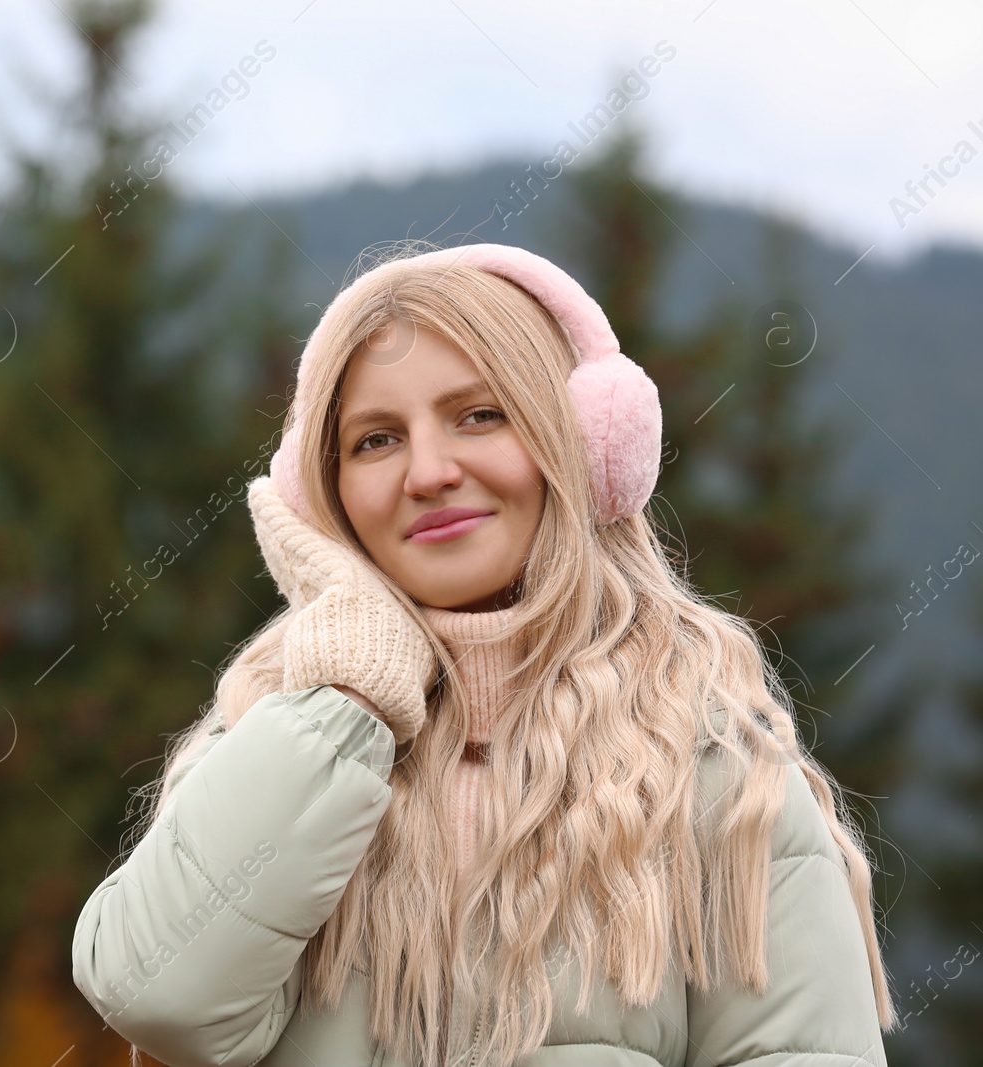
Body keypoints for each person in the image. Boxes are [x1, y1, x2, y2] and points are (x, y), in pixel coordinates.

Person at [71, 242, 895, 1067]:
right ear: (326, 497)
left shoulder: (715, 761)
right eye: (375, 440)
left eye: (480, 415)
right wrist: (351, 699)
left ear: (582, 442)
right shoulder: (273, 723)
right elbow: (159, 992)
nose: (428, 472)